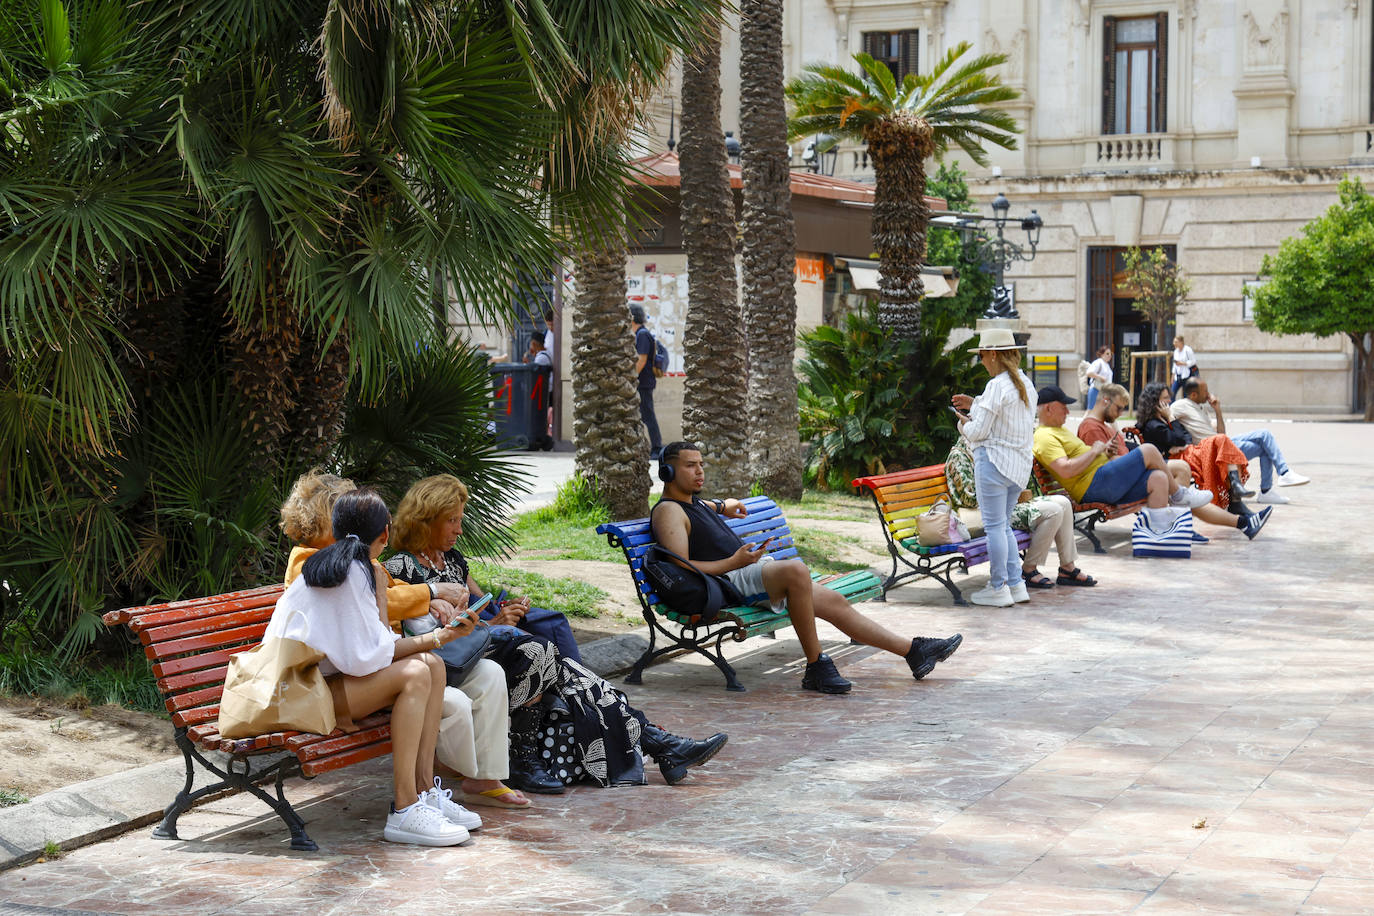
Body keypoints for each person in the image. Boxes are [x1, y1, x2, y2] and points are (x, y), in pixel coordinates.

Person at [386, 474, 728, 792]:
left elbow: (482, 609)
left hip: (484, 647)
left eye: (460, 520)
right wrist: (491, 624)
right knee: (541, 653)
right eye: (453, 520)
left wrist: (503, 615)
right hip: (448, 659)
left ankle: (658, 745)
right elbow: (410, 629)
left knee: (564, 672)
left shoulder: (454, 562)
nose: (459, 530)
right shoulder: (400, 568)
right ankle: (654, 743)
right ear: (427, 518)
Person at [279, 471, 527, 811]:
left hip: (354, 671)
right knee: (424, 674)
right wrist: (431, 602)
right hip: (322, 685)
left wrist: (431, 611)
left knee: (468, 671)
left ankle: (436, 790)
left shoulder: (363, 564)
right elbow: (371, 648)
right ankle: (409, 803)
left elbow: (381, 623)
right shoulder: (329, 566)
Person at [650, 442, 963, 694]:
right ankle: (815, 666)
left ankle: (914, 651)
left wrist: (726, 504)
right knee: (796, 572)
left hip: (749, 570)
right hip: (729, 580)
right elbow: (683, 566)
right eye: (690, 466)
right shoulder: (668, 511)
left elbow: (714, 507)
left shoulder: (694, 503)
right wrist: (735, 561)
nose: (699, 471)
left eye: (701, 464)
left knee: (834, 601)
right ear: (667, 471)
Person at [271, 489, 480, 846]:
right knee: (417, 671)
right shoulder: (352, 573)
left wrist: (436, 640)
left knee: (432, 666)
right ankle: (404, 809)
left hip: (320, 686)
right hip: (300, 696)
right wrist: (437, 637)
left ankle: (425, 791)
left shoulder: (352, 567)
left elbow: (376, 647)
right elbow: (369, 658)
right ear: (385, 533)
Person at [1032, 385, 1231, 532]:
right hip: (1092, 487)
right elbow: (1065, 469)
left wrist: (1102, 452)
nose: (1068, 411)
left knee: (1158, 478)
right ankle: (1179, 494)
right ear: (1049, 409)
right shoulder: (1044, 436)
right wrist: (1094, 451)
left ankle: (1160, 535)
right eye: (1063, 407)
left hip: (1101, 481)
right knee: (1149, 450)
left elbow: (1084, 458)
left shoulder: (1058, 431)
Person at [950, 328, 1037, 608]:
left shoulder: (996, 385)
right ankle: (1016, 584)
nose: (982, 361)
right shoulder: (1025, 383)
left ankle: (998, 586)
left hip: (993, 463)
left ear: (992, 355)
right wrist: (974, 404)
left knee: (995, 527)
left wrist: (961, 422)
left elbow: (977, 433)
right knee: (1005, 526)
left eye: (983, 356)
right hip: (1017, 468)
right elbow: (1003, 416)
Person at [944, 439, 1095, 592]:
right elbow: (968, 498)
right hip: (986, 512)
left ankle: (1067, 568)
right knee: (1053, 511)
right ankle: (1029, 569)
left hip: (1008, 504)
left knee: (1063, 502)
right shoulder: (960, 456)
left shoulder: (988, 448)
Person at [1170, 378, 1310, 504]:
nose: (1208, 393)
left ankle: (1270, 488)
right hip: (1211, 449)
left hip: (1222, 443)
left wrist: (1217, 410)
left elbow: (1222, 434)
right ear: (1193, 394)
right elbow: (1167, 419)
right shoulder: (1180, 405)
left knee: (1265, 441)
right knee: (1264, 437)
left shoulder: (1201, 408)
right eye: (1205, 391)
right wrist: (1175, 444)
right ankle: (1279, 478)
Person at [1135, 382, 1255, 513]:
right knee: (1221, 443)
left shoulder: (1163, 419)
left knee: (1222, 449)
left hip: (1188, 451)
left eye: (1169, 397)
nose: (1169, 400)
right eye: (1165, 398)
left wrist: (1182, 443)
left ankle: (1236, 496)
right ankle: (1235, 496)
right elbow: (1179, 438)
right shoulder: (1153, 424)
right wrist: (1172, 420)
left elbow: (1185, 436)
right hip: (1178, 458)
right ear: (1155, 401)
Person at [630, 305, 663, 459]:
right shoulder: (640, 333)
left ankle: (656, 448)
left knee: (648, 415)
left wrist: (631, 378)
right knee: (644, 415)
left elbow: (641, 360)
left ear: (632, 317)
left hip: (643, 382)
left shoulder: (642, 335)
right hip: (642, 382)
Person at [1077, 383, 1132, 458]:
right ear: (1106, 401)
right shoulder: (1092, 428)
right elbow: (1102, 463)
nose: (1120, 414)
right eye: (1119, 408)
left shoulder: (1101, 424)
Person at [1083, 346, 1114, 410]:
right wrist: (1100, 377)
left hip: (1104, 391)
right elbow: (1089, 373)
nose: (1109, 355)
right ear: (1102, 354)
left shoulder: (1107, 365)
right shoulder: (1098, 362)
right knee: (1091, 410)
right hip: (1096, 389)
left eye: (1110, 354)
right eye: (1107, 353)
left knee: (1101, 411)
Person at [1170, 335, 1197, 399]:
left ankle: (1185, 408)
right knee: (1172, 393)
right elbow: (1175, 365)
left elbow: (1193, 361)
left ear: (1181, 342)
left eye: (1176, 342)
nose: (1174, 344)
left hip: (1186, 375)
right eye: (1174, 342)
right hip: (1178, 376)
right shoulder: (1176, 351)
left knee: (1185, 395)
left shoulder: (1187, 350)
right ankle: (1171, 408)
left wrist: (1183, 363)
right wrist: (1172, 376)